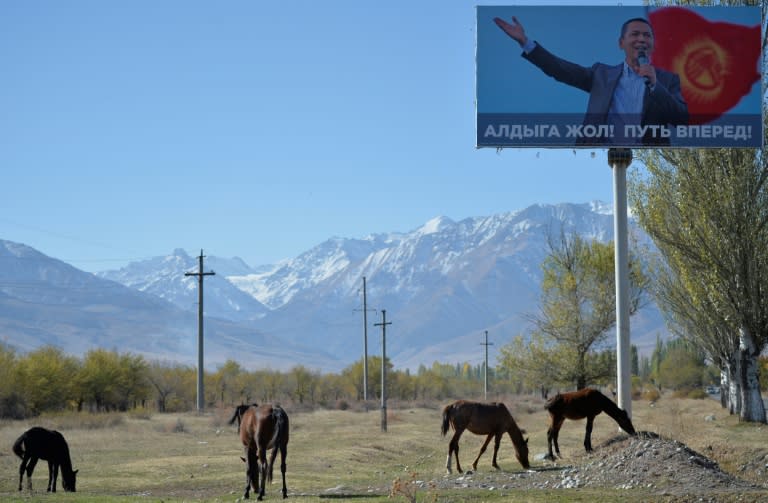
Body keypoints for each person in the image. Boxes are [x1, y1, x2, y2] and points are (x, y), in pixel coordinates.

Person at [493, 15, 688, 146]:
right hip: (598, 153)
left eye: (647, 35)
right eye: (635, 34)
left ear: (653, 44)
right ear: (621, 43)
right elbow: (562, 70)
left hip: (646, 162)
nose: (641, 39)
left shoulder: (667, 80)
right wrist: (525, 42)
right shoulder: (602, 74)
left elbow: (682, 119)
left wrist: (655, 85)